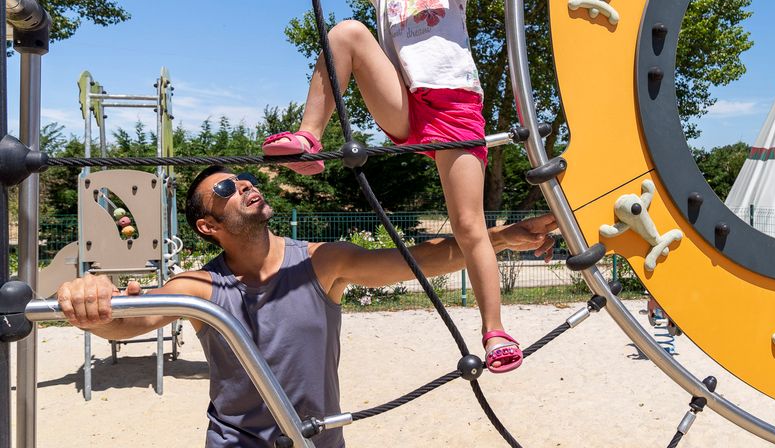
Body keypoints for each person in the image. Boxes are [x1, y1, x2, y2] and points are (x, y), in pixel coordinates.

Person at [261, 0, 519, 373]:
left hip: (453, 103)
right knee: (349, 31)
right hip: (404, 103)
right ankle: (310, 138)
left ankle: (496, 331)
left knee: (468, 224)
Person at [57, 167, 557, 448]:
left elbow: (419, 261)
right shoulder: (201, 286)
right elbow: (128, 323)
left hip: (317, 441)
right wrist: (91, 299)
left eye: (246, 179)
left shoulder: (320, 263)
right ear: (208, 225)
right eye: (226, 189)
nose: (246, 186)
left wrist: (502, 237)